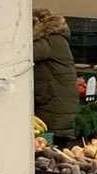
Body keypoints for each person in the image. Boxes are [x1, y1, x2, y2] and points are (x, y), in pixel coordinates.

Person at [32, 8, 79, 137]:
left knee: (52, 145)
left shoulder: (50, 42)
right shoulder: (57, 40)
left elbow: (24, 54)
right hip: (58, 105)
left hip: (54, 108)